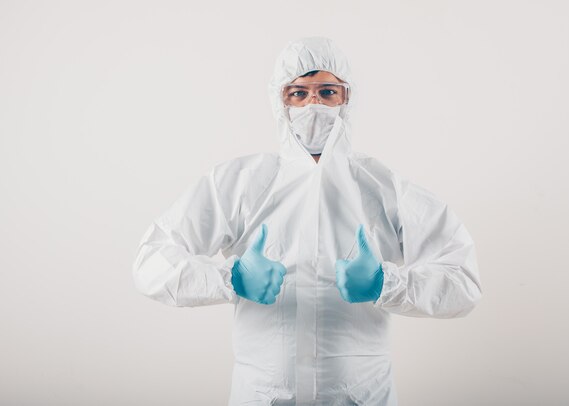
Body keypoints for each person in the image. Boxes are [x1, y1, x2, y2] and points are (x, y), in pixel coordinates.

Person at [132, 37, 482, 406]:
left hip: (362, 396)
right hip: (260, 396)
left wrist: (386, 283)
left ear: (346, 100)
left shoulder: (381, 188)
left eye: (327, 92)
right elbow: (151, 261)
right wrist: (229, 279)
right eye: (298, 93)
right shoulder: (239, 183)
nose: (312, 104)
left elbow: (463, 282)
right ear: (279, 101)